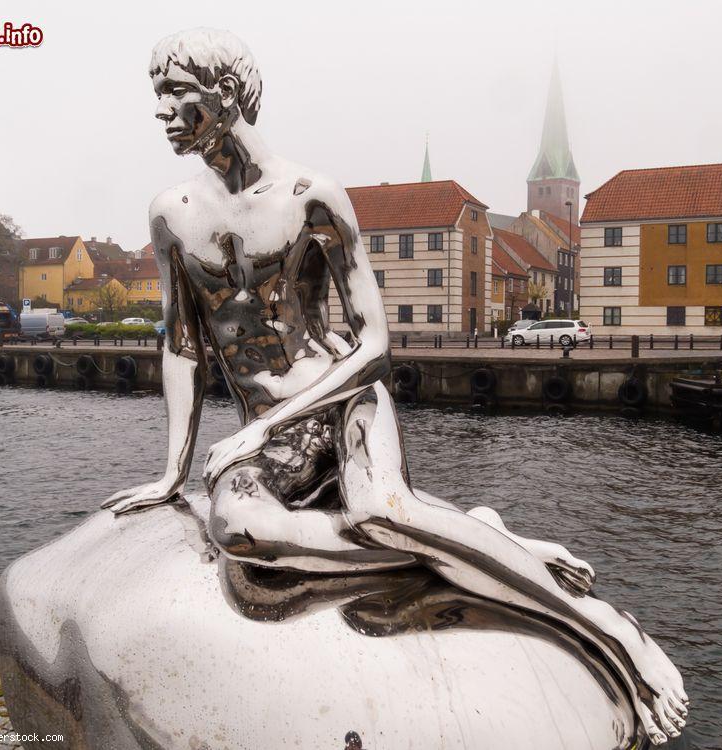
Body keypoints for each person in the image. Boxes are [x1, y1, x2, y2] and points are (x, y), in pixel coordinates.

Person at [104, 28, 688, 745]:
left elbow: (375, 343)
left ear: (224, 95)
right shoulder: (171, 214)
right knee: (244, 534)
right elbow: (183, 346)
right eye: (156, 98)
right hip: (269, 434)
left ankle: (602, 631)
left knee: (381, 511)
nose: (161, 113)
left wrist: (256, 429)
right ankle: (482, 543)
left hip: (342, 398)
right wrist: (169, 474)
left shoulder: (311, 196)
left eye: (175, 96)